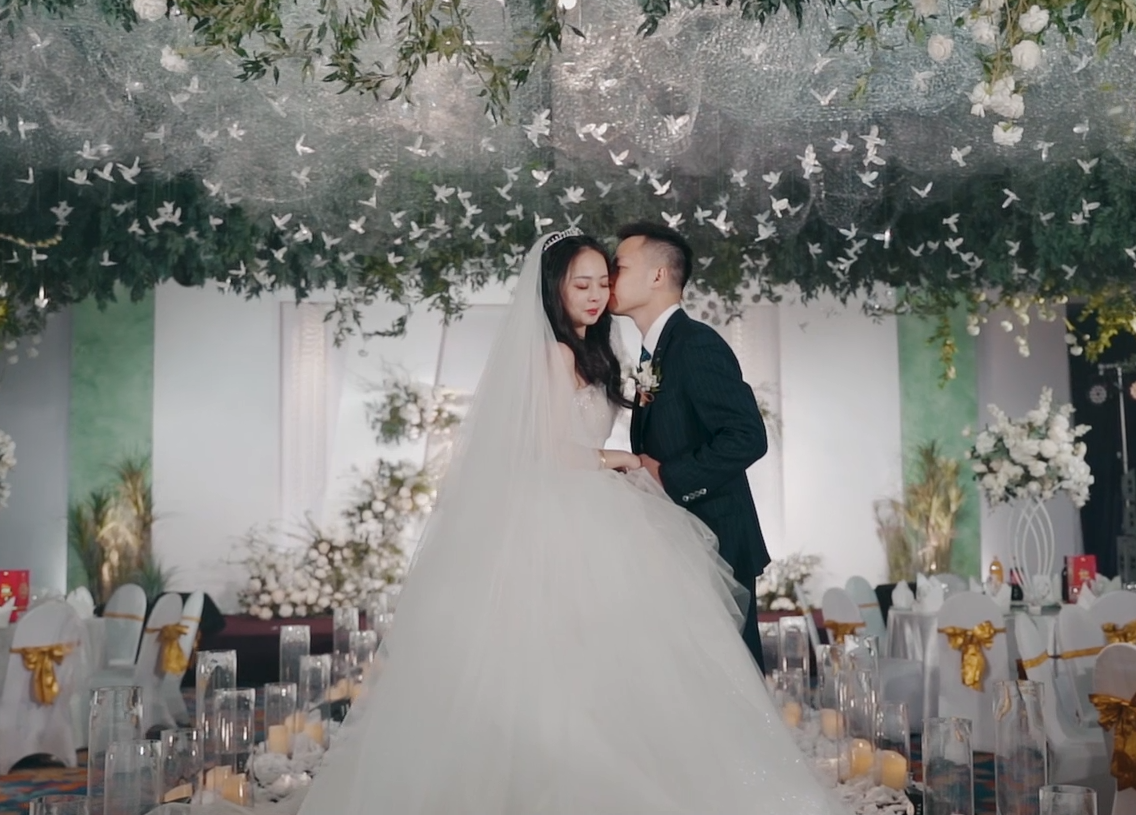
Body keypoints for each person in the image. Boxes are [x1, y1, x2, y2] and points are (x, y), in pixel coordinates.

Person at [302, 232, 841, 815]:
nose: (599, 292)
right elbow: (541, 447)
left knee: (682, 673)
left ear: (655, 276)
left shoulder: (652, 348)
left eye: (607, 278)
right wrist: (624, 462)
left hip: (662, 519)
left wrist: (655, 473)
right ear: (554, 290)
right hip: (572, 517)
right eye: (583, 284)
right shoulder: (563, 355)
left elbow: (739, 437)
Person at [609, 221, 774, 668]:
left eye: (619, 266)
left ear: (658, 275)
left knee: (731, 679)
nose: (609, 277)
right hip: (679, 543)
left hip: (717, 543)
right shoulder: (657, 350)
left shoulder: (695, 344)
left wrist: (669, 476)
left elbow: (747, 436)